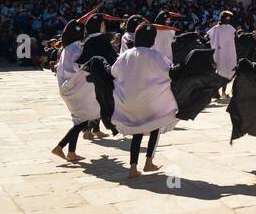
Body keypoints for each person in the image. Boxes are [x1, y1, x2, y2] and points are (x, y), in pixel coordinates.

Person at [111, 23, 178, 179]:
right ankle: (149, 162)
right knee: (155, 127)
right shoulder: (156, 55)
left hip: (129, 101)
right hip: (150, 101)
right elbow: (170, 71)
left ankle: (133, 168)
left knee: (137, 132)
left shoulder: (126, 55)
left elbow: (114, 71)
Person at [52, 20, 100, 163]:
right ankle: (60, 146)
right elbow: (78, 66)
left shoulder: (69, 48)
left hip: (73, 88)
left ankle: (71, 153)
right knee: (82, 120)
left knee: (79, 119)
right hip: (76, 89)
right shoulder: (75, 48)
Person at [206, 10, 237, 97]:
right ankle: (216, 92)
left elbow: (236, 36)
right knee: (221, 72)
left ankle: (223, 92)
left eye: (229, 18)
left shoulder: (230, 28)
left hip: (228, 53)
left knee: (227, 72)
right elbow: (207, 37)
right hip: (218, 55)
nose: (228, 20)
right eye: (226, 18)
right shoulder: (215, 29)